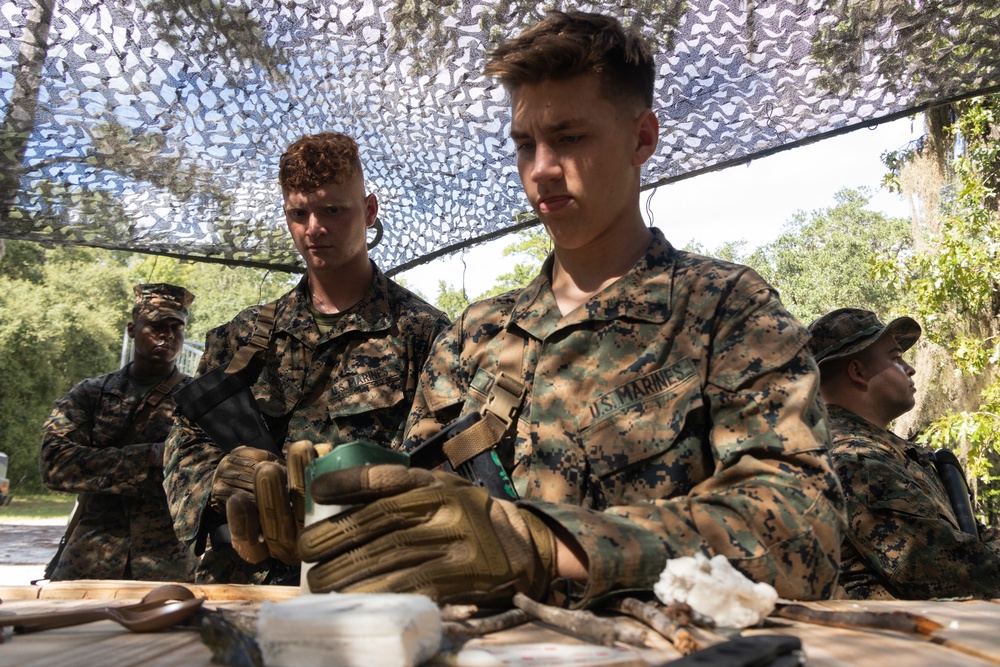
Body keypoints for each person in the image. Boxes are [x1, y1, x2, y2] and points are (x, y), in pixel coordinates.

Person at [293, 10, 845, 608]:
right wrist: (317, 512)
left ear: (642, 138)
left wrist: (547, 545)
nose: (541, 169)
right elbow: (416, 519)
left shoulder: (726, 311)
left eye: (570, 138)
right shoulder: (474, 335)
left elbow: (799, 531)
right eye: (525, 144)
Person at [163, 131, 450, 583]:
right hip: (239, 580)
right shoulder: (242, 337)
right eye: (299, 213)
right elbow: (183, 444)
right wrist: (219, 481)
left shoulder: (425, 333)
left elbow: (440, 463)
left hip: (362, 578)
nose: (314, 227)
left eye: (333, 209)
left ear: (369, 210)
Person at [808, 307, 1000, 599]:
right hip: (899, 638)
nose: (910, 368)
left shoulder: (889, 452)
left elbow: (973, 535)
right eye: (896, 358)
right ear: (858, 372)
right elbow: (957, 572)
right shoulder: (854, 461)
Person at [40, 283, 197, 581]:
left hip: (170, 562)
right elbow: (54, 464)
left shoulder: (200, 398)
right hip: (91, 557)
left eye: (177, 327)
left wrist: (102, 464)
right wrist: (150, 457)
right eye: (156, 325)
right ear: (132, 329)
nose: (167, 334)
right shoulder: (91, 394)